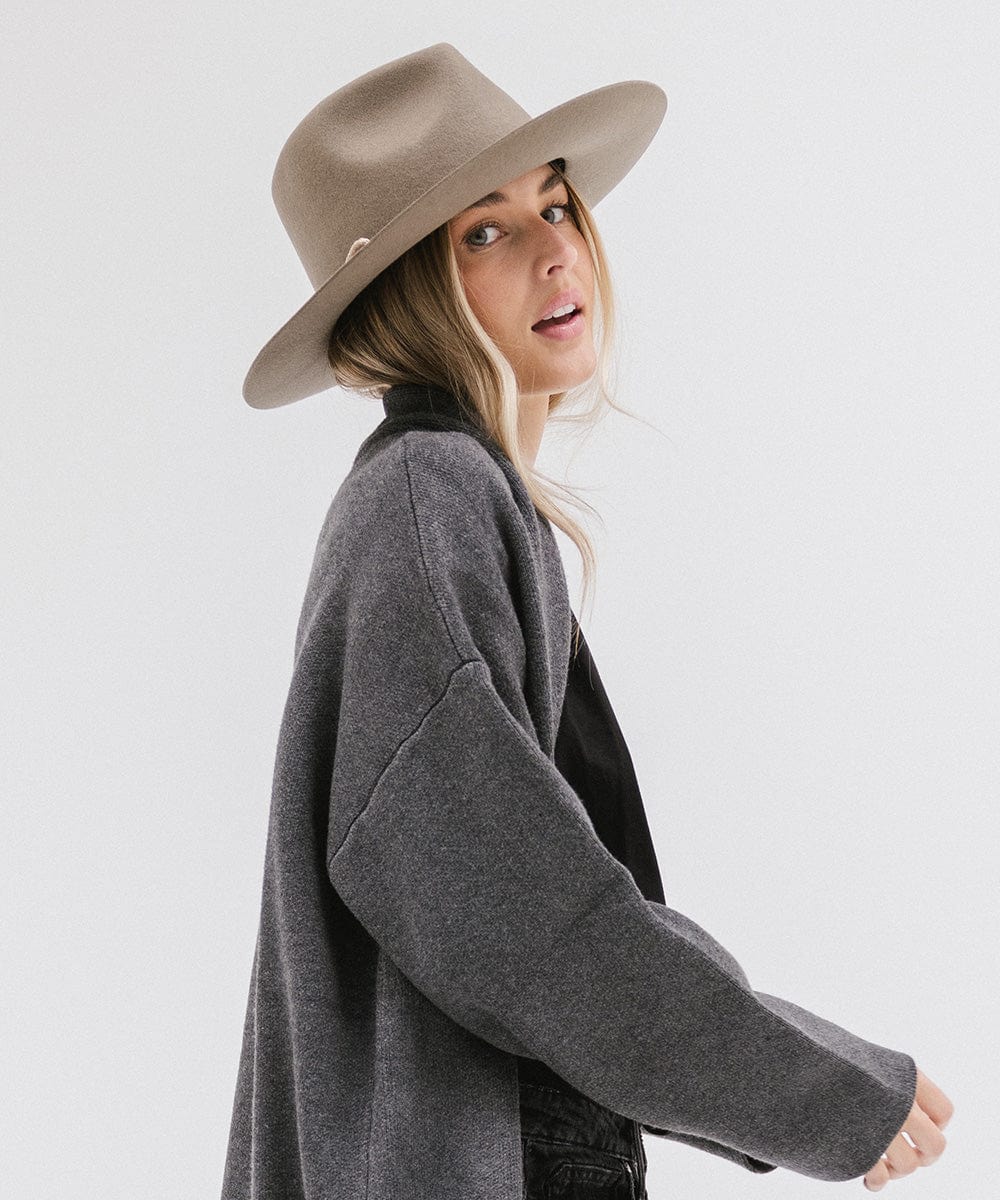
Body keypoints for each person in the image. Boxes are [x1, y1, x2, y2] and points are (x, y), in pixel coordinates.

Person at [222, 42, 953, 1200]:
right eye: (484, 231)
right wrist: (811, 1087)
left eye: (553, 203)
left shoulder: (453, 504)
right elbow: (519, 918)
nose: (555, 249)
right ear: (402, 293)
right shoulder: (427, 499)